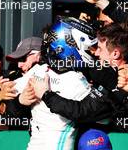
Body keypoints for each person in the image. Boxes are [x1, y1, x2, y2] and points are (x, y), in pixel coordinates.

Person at [17, 17, 97, 150]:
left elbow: (7, 92)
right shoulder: (77, 81)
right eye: (89, 49)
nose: (93, 53)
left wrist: (15, 99)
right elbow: (103, 117)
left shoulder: (38, 70)